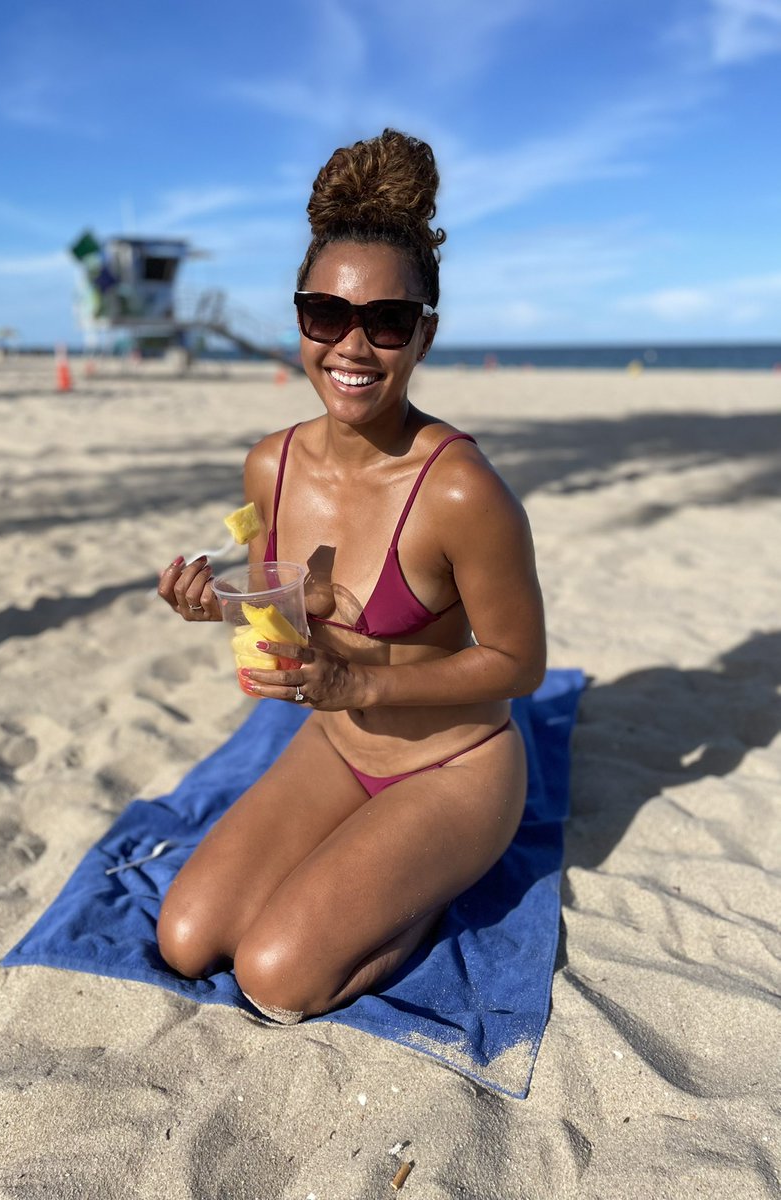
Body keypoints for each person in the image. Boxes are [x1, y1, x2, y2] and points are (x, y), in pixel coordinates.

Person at [155, 129, 546, 1025]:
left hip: (454, 766)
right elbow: (281, 613)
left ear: (424, 336)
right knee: (187, 936)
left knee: (276, 975)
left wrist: (355, 679)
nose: (354, 346)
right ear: (300, 322)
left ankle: (417, 888)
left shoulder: (460, 488)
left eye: (387, 322)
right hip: (338, 746)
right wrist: (220, 607)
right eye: (326, 315)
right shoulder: (271, 467)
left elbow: (520, 664)